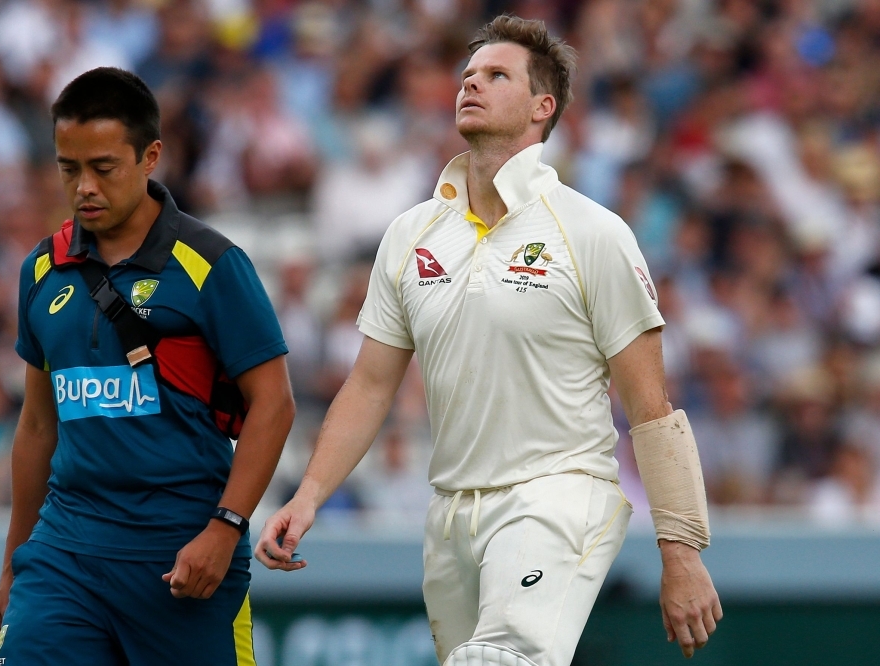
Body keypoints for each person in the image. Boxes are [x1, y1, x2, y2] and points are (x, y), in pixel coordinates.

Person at [256, 16, 721, 666]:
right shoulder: (411, 234)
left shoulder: (593, 232)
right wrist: (306, 499)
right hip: (449, 514)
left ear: (542, 107)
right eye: (467, 76)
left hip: (557, 494)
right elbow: (368, 386)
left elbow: (651, 408)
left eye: (495, 75)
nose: (470, 85)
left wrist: (682, 553)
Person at [0, 67, 295, 664]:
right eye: (68, 168)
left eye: (103, 167)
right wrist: (14, 564)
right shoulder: (40, 270)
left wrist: (224, 528)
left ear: (150, 156)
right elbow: (36, 426)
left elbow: (275, 404)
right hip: (64, 553)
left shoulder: (212, 263)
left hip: (181, 556)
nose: (84, 188)